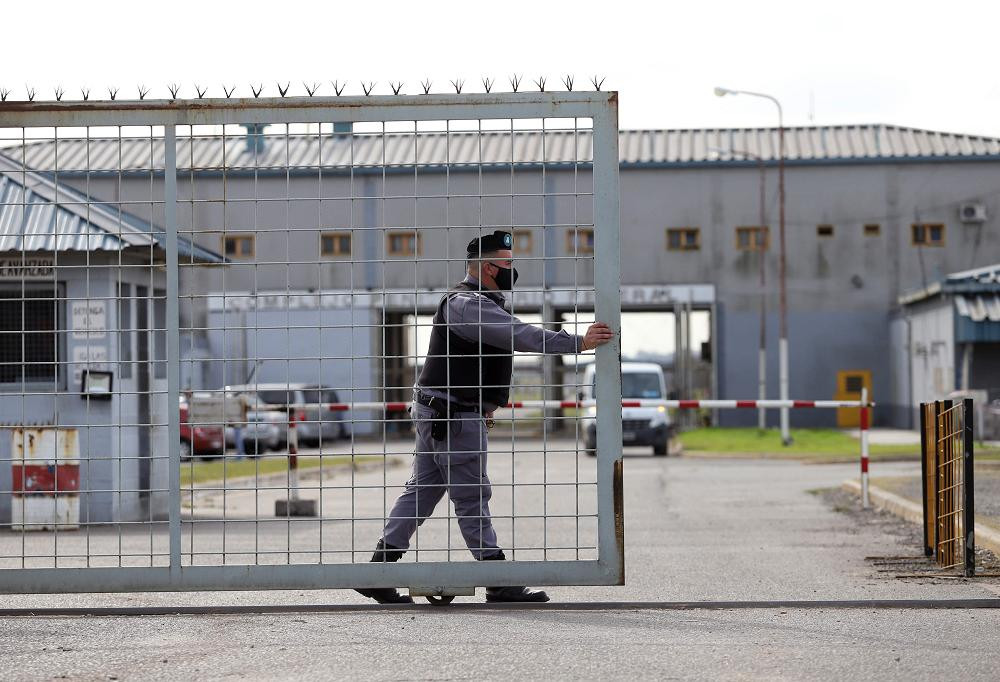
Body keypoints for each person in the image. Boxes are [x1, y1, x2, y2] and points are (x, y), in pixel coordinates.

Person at [356, 229, 615, 604]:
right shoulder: (468, 303)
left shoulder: (476, 302)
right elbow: (519, 335)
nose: (513, 271)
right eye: (507, 264)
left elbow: (483, 358)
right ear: (488, 267)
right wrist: (578, 343)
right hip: (452, 415)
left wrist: (484, 405)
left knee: (423, 491)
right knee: (472, 495)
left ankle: (378, 570)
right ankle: (498, 578)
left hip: (447, 411)